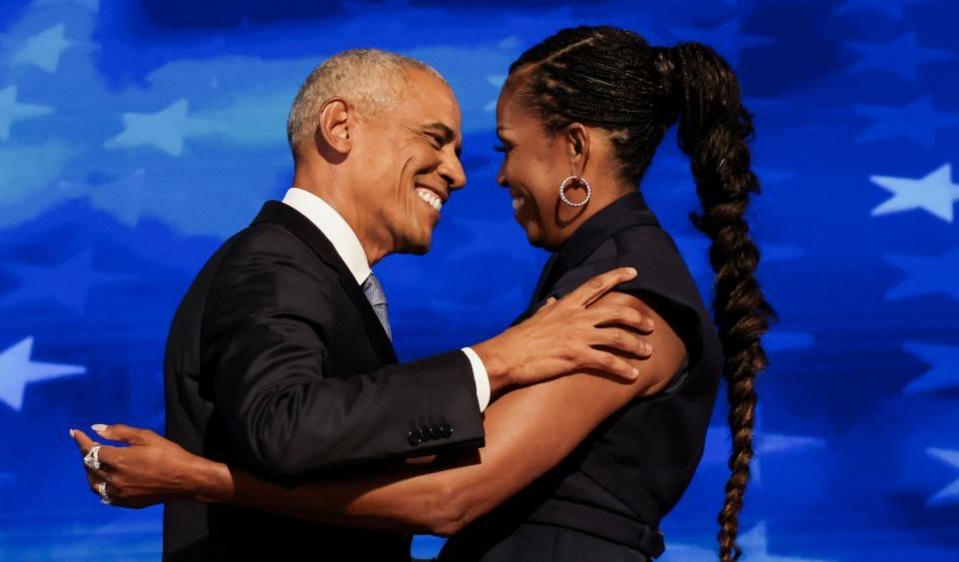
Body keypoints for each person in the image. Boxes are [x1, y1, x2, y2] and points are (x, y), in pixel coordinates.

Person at [73, 26, 775, 562]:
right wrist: (495, 360)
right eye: (440, 142)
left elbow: (449, 494)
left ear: (574, 149)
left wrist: (200, 477)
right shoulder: (275, 265)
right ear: (340, 128)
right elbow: (327, 438)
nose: (479, 175)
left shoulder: (619, 288)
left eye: (502, 146)